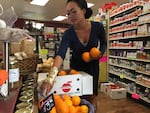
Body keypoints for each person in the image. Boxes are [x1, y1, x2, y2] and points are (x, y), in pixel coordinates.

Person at [40, 0, 107, 98]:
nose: (70, 16)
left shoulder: (98, 27)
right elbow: (60, 54)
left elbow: (104, 43)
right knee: (76, 98)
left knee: (92, 96)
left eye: (74, 11)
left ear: (83, 11)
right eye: (68, 13)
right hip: (76, 69)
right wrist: (50, 78)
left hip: (93, 67)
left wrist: (100, 54)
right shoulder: (68, 33)